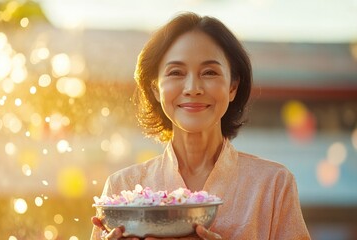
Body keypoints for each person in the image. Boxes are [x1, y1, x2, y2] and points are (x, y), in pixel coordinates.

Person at [91, 11, 311, 240]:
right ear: (155, 88)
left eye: (209, 72)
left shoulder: (272, 184)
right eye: (176, 72)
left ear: (232, 87)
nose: (192, 88)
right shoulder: (122, 188)